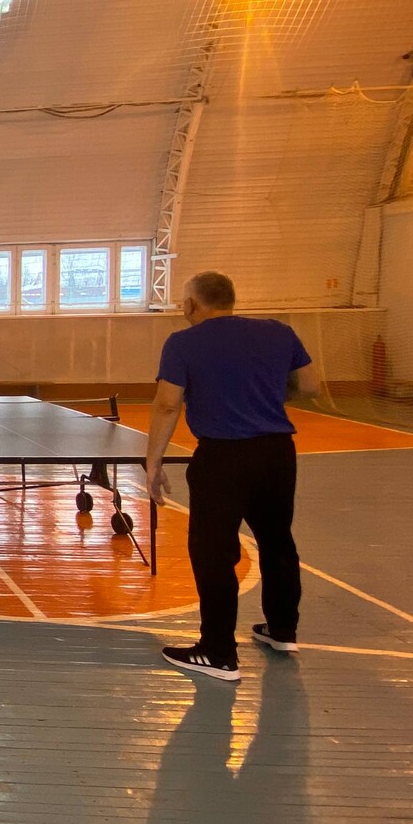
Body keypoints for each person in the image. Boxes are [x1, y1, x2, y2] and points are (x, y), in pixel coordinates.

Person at [145, 271, 320, 682]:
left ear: (192, 304)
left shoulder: (183, 342)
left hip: (222, 458)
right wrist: (266, 392)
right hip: (277, 454)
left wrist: (153, 463)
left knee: (213, 551)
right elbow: (311, 385)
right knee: (277, 541)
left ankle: (218, 652)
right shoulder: (279, 332)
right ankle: (282, 630)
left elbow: (167, 405)